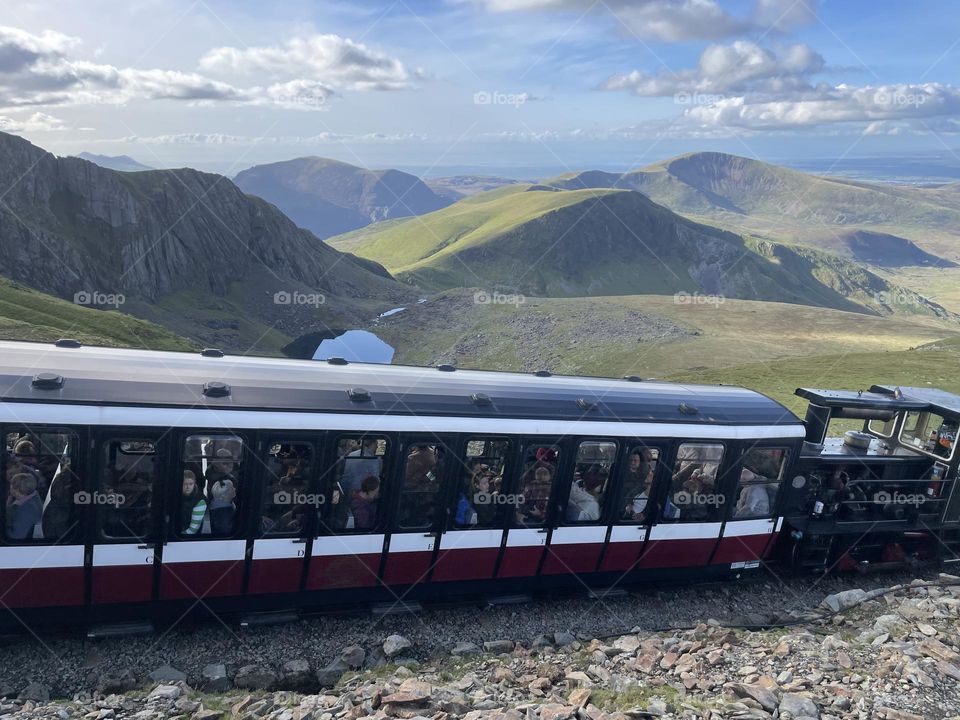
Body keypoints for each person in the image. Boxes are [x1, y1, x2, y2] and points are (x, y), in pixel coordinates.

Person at [206, 449, 237, 536]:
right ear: (216, 465)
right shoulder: (222, 482)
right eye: (225, 463)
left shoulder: (224, 475)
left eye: (231, 461)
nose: (230, 465)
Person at [6, 473, 43, 539]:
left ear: (16, 490)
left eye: (11, 484)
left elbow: (16, 537)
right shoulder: (34, 495)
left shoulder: (26, 511)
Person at [180, 470, 207, 535]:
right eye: (184, 484)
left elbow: (193, 530)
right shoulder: (174, 496)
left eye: (190, 484)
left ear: (194, 483)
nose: (188, 487)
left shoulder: (200, 502)